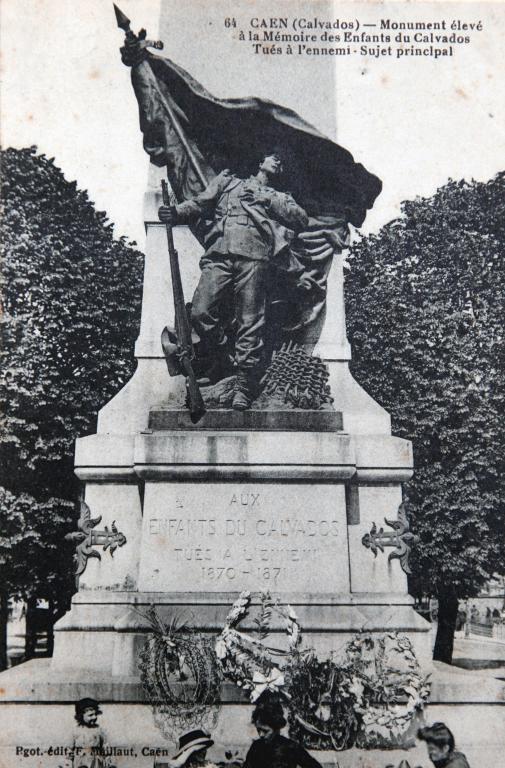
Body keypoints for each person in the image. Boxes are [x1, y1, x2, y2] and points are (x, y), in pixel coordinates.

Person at [158, 150, 308, 410]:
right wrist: (176, 211)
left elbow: (301, 218)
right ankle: (225, 354)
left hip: (254, 257)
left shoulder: (279, 196)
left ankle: (242, 385)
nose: (278, 161)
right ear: (259, 161)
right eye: (273, 157)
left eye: (281, 161)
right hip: (220, 254)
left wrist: (267, 199)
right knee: (201, 311)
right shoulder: (228, 181)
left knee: (250, 321)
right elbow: (200, 203)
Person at [243, 696, 322, 768]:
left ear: (276, 728)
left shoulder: (291, 747)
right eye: (258, 730)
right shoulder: (256, 747)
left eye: (265, 731)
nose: (261, 734)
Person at [71, 698, 113, 768]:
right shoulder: (76, 731)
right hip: (80, 763)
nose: (94, 717)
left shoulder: (99, 731)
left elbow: (106, 748)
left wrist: (108, 763)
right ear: (81, 716)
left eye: (95, 714)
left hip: (97, 763)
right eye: (90, 715)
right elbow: (69, 753)